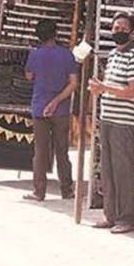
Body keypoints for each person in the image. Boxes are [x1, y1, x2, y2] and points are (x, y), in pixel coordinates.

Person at [88, 12, 134, 234]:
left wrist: (104, 88)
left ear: (132, 33)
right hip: (107, 119)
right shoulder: (112, 55)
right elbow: (110, 87)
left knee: (123, 171)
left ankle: (126, 218)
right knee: (108, 169)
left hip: (123, 122)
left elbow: (132, 91)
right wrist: (98, 89)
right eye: (116, 28)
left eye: (123, 29)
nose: (118, 32)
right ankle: (109, 215)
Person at [23, 19, 79, 202]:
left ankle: (39, 192)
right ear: (55, 33)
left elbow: (29, 76)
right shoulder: (67, 55)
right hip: (61, 110)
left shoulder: (35, 54)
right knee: (62, 151)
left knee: (40, 152)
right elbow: (73, 84)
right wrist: (56, 102)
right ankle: (67, 190)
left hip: (40, 108)